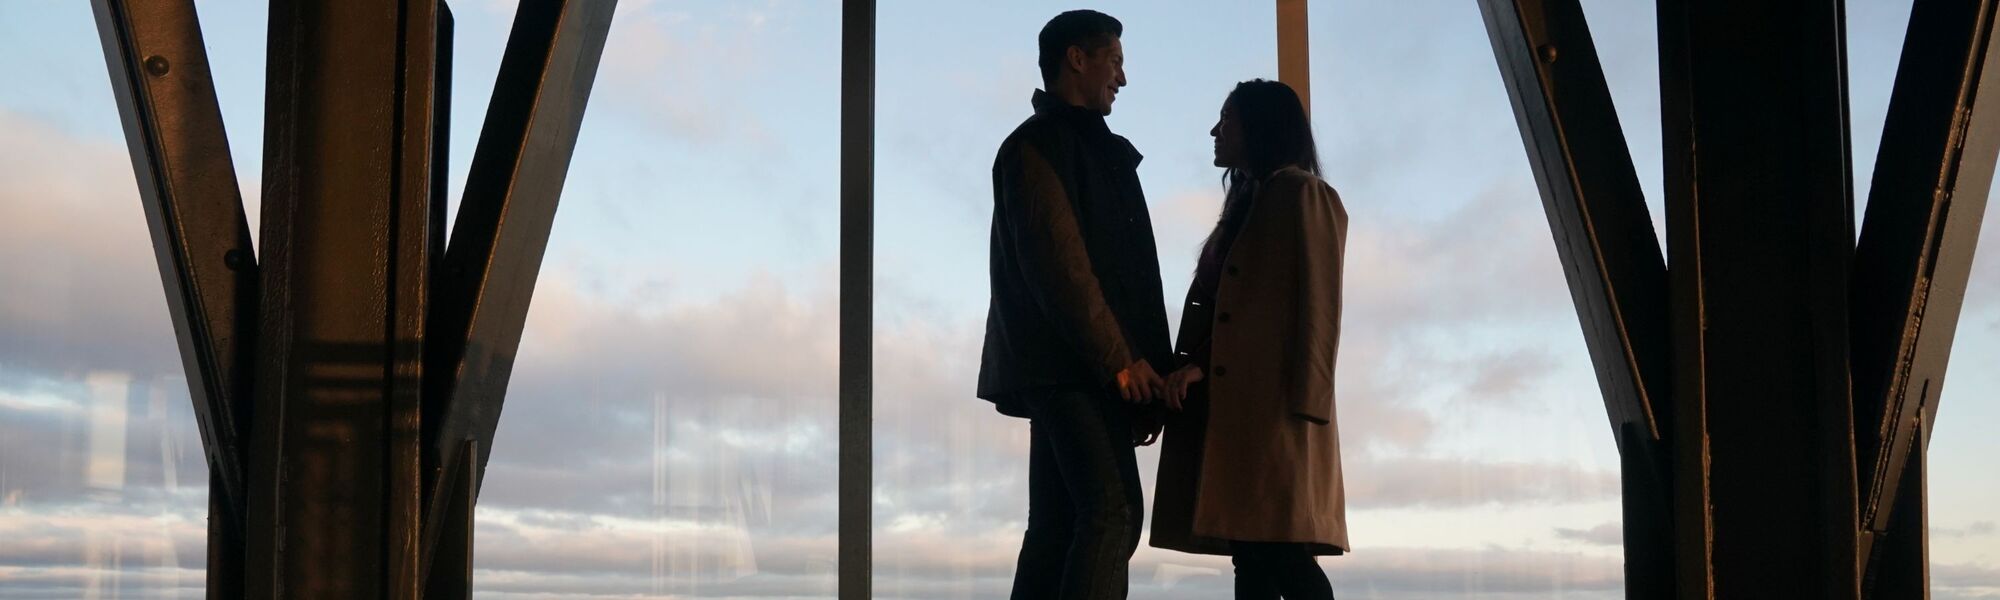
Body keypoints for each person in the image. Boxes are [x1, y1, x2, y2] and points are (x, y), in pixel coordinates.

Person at [976, 9, 1174, 600]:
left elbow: (1108, 274)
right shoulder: (1039, 148)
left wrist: (1145, 368)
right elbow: (1060, 268)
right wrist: (1121, 360)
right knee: (1113, 513)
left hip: (1075, 368)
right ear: (1077, 59)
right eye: (1114, 61)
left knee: (1059, 525)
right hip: (1074, 370)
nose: (1122, 77)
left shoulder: (1081, 150)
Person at [1149, 79, 1350, 600]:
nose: (1215, 131)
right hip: (1236, 414)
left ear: (1260, 125)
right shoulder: (1250, 200)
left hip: (1276, 414)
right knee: (1253, 553)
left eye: (1227, 118)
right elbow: (1234, 312)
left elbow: (1318, 306)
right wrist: (1196, 365)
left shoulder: (1303, 194)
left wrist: (1309, 405)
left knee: (1278, 553)